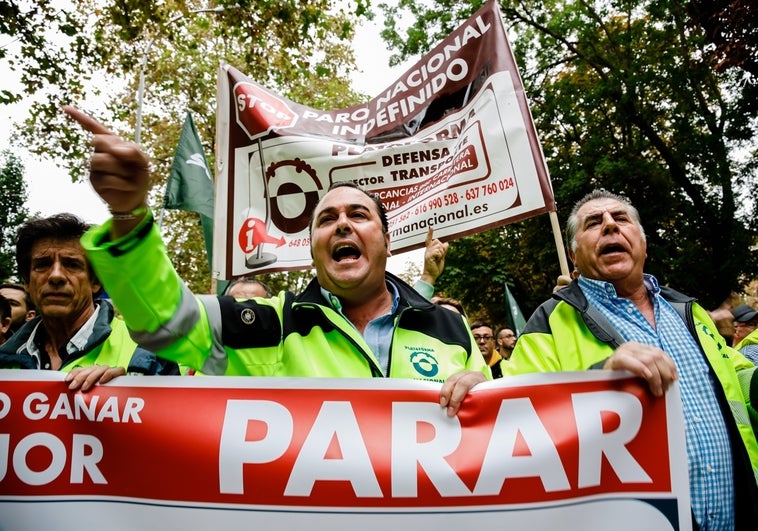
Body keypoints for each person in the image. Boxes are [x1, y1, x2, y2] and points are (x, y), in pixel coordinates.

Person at [64, 106, 489, 417]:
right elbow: (163, 322)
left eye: (358, 215)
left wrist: (485, 395)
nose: (342, 225)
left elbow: (500, 426)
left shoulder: (450, 327)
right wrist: (129, 215)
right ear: (312, 248)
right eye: (326, 219)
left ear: (387, 241)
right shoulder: (269, 323)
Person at [505, 189, 758, 529]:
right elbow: (517, 426)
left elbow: (738, 381)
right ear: (573, 255)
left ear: (643, 242)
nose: (610, 225)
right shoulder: (549, 323)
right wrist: (601, 380)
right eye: (594, 223)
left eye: (621, 219)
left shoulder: (689, 311)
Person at [0, 213, 179, 391]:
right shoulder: (5, 359)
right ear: (27, 283)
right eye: (42, 264)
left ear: (95, 282)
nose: (56, 276)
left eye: (71, 264)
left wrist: (127, 396)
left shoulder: (148, 350)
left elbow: (180, 416)